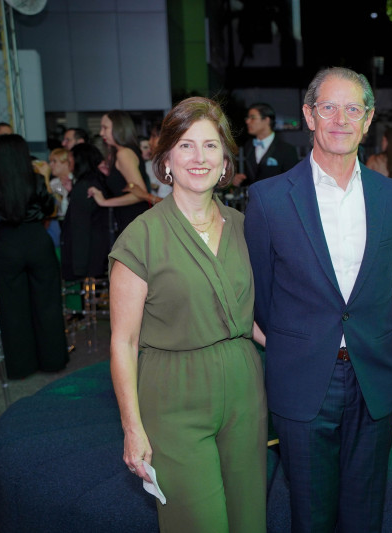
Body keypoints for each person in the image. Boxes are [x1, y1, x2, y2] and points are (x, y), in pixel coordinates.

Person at [244, 67, 392, 533]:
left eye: (352, 108)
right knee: (310, 514)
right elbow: (260, 293)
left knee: (365, 514)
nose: (340, 118)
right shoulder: (268, 198)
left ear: (368, 118)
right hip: (302, 379)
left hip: (372, 377)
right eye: (328, 107)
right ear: (309, 116)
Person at [109, 97, 267, 532]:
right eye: (186, 146)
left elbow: (250, 315)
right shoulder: (139, 238)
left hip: (244, 389)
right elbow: (122, 342)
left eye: (211, 146)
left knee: (249, 518)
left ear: (225, 162)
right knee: (197, 522)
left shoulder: (244, 226)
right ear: (166, 162)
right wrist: (132, 428)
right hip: (173, 394)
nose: (199, 158)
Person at [0, 134, 69, 379]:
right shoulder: (36, 179)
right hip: (37, 240)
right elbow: (50, 207)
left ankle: (20, 367)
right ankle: (53, 360)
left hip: (6, 245)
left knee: (12, 308)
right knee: (47, 304)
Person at [87, 110, 155, 237]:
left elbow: (139, 194)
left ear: (119, 128)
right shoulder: (123, 152)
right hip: (132, 222)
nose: (101, 133)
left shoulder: (123, 153)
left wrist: (104, 202)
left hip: (134, 224)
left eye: (105, 128)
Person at [61, 143, 110, 280]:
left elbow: (80, 227)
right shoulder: (97, 180)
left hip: (88, 251)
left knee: (90, 290)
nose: (68, 164)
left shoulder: (84, 185)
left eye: (70, 160)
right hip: (99, 246)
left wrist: (79, 265)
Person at [232, 102, 299, 186]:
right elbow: (251, 177)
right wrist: (237, 179)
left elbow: (293, 181)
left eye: (252, 118)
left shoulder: (287, 150)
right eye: (247, 118)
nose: (247, 121)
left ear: (266, 120)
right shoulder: (248, 146)